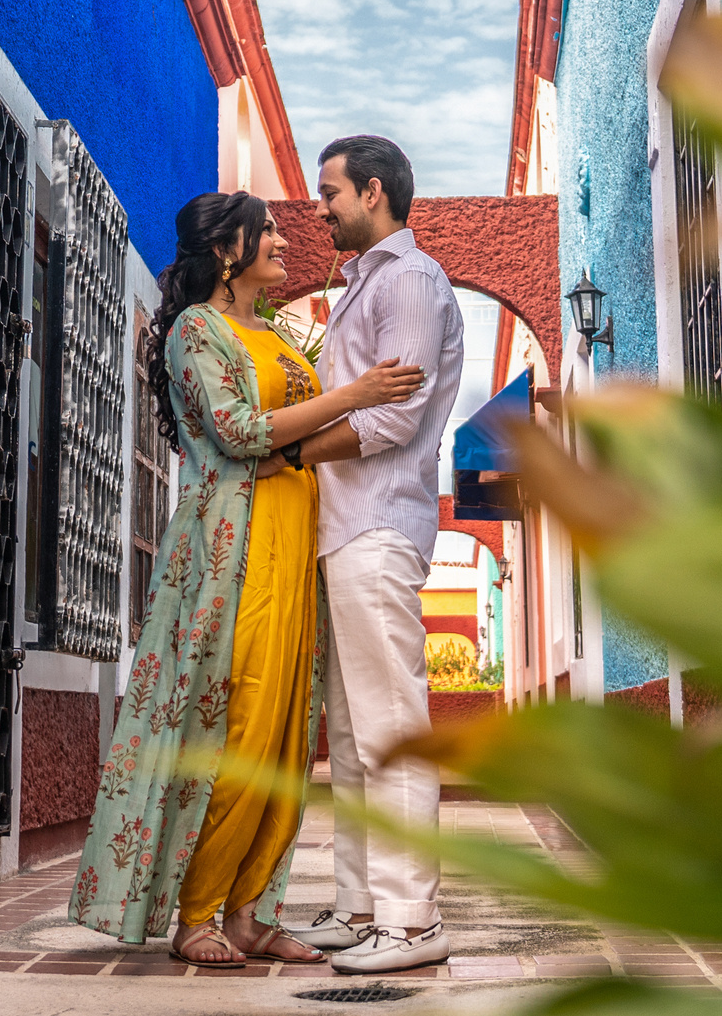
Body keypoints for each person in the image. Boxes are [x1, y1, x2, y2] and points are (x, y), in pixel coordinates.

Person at [68, 190, 426, 968]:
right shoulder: (199, 330)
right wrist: (352, 397)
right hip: (237, 552)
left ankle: (251, 909)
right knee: (241, 728)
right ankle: (197, 911)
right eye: (266, 232)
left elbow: (288, 441)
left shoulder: (280, 333)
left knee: (291, 737)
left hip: (297, 545)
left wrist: (329, 423)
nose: (285, 240)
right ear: (228, 250)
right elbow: (237, 431)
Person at [283, 135, 466, 974]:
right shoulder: (364, 286)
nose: (319, 207)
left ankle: (413, 920)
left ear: (376, 192)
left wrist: (291, 450)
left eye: (330, 193)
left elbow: (395, 415)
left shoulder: (411, 281)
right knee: (354, 736)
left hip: (380, 525)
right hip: (345, 530)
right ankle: (362, 909)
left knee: (391, 728)